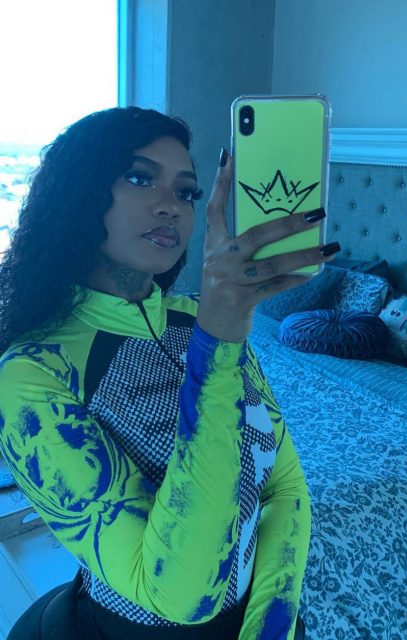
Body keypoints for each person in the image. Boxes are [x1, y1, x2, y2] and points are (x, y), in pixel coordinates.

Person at [0, 106, 339, 639]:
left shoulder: (195, 317)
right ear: (80, 192)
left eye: (186, 192)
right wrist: (217, 347)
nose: (171, 207)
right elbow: (179, 594)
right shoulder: (31, 373)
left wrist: (272, 627)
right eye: (140, 178)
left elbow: (284, 484)